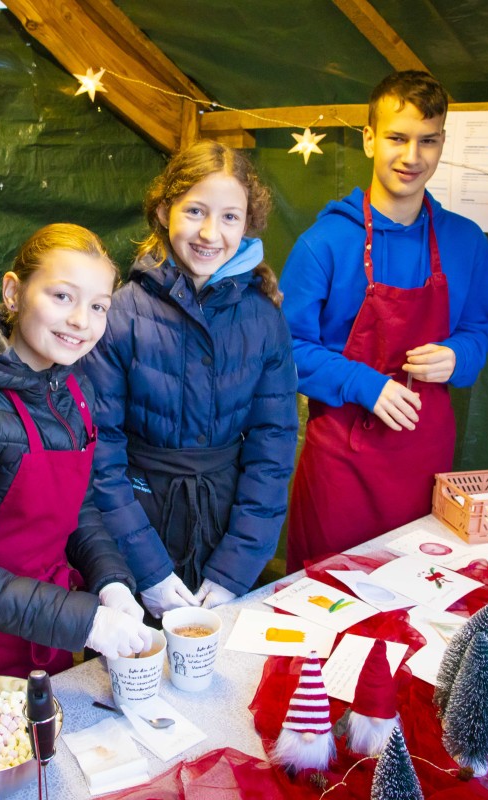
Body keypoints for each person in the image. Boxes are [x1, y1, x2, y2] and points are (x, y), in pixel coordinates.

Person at [0, 223, 151, 698]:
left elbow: (76, 508)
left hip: (47, 632)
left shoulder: (72, 387)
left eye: (98, 306)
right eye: (62, 296)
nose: (81, 320)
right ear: (14, 293)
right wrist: (84, 621)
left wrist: (111, 580)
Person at [281, 70, 488, 572]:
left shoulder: (466, 242)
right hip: (341, 465)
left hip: (424, 461)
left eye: (427, 141)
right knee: (326, 602)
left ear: (442, 143)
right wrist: (365, 384)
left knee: (414, 598)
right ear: (369, 138)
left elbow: (479, 332)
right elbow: (286, 349)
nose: (412, 157)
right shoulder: (324, 243)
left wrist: (458, 356)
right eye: (397, 138)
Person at [84, 141, 299, 619]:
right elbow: (100, 456)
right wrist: (149, 573)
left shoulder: (264, 319)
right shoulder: (121, 315)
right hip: (135, 528)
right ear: (164, 211)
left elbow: (273, 449)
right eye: (195, 211)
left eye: (229, 217)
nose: (209, 233)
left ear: (247, 225)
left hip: (225, 525)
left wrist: (235, 569)